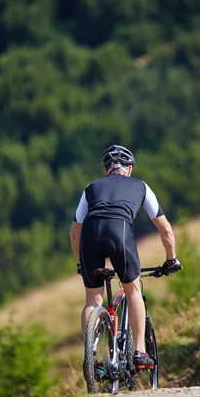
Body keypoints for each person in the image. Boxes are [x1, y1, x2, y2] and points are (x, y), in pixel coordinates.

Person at [70, 144, 182, 369]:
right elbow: (166, 229)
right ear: (129, 169)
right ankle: (139, 352)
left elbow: (74, 233)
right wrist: (171, 259)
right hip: (119, 232)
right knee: (132, 290)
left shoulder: (91, 187)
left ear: (106, 170)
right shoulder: (141, 186)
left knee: (93, 299)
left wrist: (82, 264)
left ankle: (90, 358)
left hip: (90, 235)